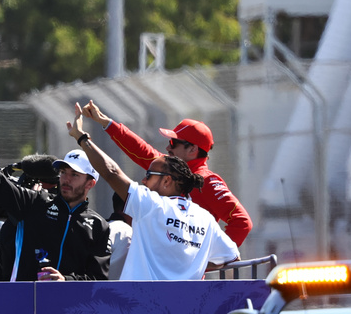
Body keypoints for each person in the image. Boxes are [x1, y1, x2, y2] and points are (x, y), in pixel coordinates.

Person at [68, 104, 238, 280]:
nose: (143, 180)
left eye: (149, 175)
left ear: (167, 181)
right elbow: (232, 256)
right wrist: (193, 262)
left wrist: (82, 138)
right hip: (186, 304)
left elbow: (111, 172)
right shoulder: (206, 219)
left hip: (142, 303)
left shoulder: (153, 204)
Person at [0, 104, 110, 281]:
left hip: (69, 307)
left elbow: (98, 278)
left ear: (90, 183)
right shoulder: (35, 203)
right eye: (63, 172)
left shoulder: (99, 226)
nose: (66, 179)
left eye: (74, 175)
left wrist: (66, 281)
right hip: (26, 302)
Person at [80, 101, 252, 247]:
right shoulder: (167, 168)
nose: (168, 147)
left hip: (186, 278)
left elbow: (241, 222)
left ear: (192, 149)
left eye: (174, 143)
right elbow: (140, 149)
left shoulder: (207, 181)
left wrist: (212, 258)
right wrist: (106, 122)